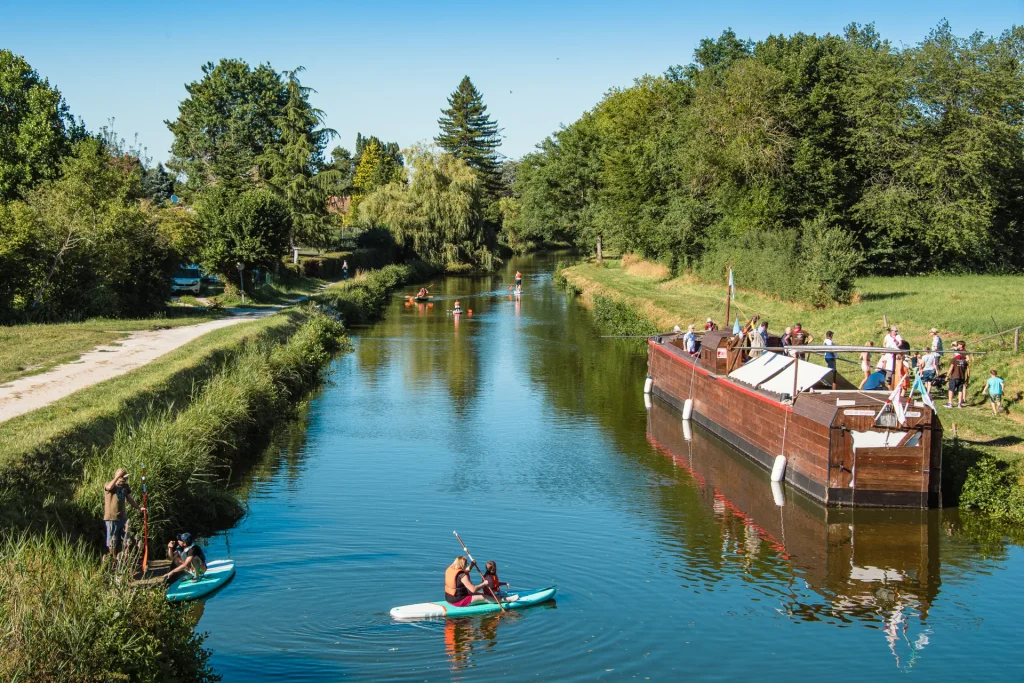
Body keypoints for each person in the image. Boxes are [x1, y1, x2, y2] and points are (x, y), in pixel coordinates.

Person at [103, 468, 144, 563]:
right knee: (112, 542)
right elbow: (108, 488)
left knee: (126, 540)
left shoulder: (125, 486)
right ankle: (113, 561)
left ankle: (125, 561)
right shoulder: (110, 485)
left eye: (125, 478)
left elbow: (129, 498)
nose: (125, 480)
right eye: (123, 477)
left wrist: (139, 508)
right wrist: (117, 477)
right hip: (111, 518)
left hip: (123, 518)